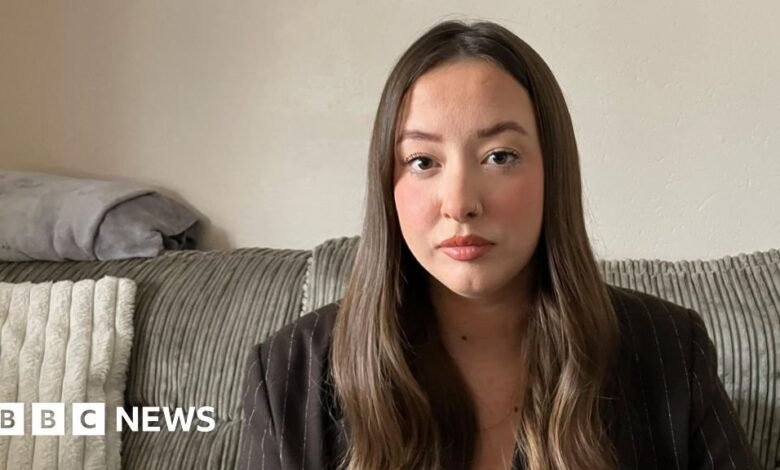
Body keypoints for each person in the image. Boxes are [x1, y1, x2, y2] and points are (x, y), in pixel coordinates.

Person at [240, 20, 757, 470]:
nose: (460, 203)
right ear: (386, 183)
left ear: (553, 172)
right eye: (422, 161)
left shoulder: (670, 350)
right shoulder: (293, 370)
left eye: (500, 156)